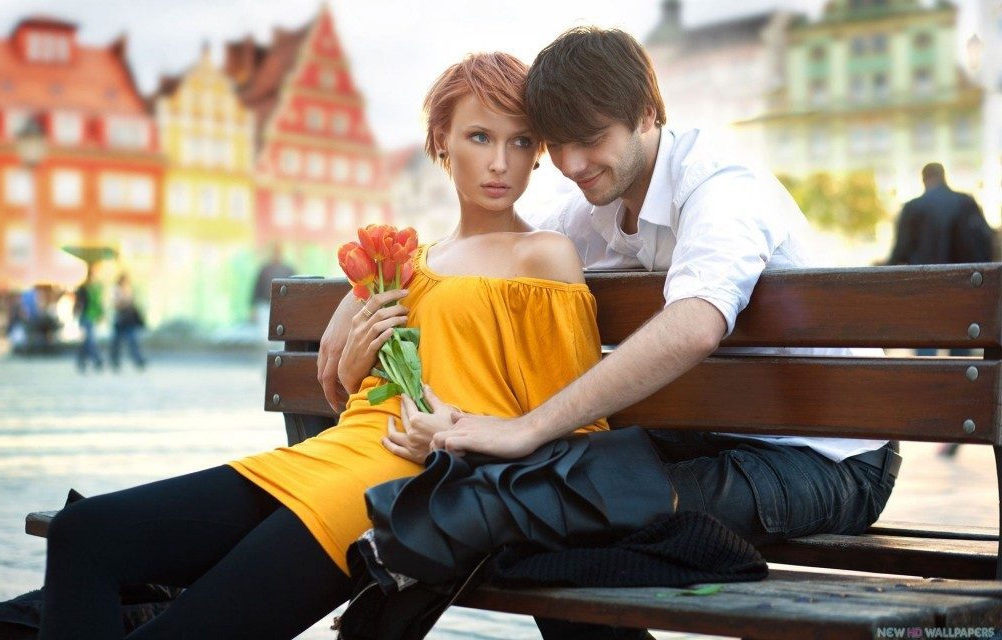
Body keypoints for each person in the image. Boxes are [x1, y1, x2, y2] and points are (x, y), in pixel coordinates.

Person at [321, 28, 901, 640]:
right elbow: (481, 252)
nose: (571, 165)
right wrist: (369, 287)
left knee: (547, 498)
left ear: (647, 114)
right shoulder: (593, 204)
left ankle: (383, 600)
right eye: (560, 144)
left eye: (591, 140)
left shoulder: (722, 186)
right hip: (705, 440)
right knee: (537, 491)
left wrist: (525, 428)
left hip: (829, 464)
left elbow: (696, 324)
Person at [39, 52, 608, 639]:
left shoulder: (542, 255)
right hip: (331, 458)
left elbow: (579, 434)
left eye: (520, 143)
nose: (499, 163)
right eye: (480, 136)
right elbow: (362, 398)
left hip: (397, 490)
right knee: (82, 533)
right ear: (441, 141)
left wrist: (457, 431)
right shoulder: (411, 260)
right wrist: (361, 364)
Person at [887, 162, 991, 457]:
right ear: (944, 177)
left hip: (927, 299)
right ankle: (959, 421)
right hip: (965, 301)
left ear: (925, 179)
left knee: (927, 362)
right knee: (963, 366)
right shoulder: (966, 202)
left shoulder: (913, 208)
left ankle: (932, 418)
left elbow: (900, 252)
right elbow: (985, 246)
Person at [250, 244, 294, 339]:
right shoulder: (264, 269)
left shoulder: (288, 270)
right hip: (265, 307)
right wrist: (253, 308)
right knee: (264, 336)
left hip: (283, 308)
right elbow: (256, 289)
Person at [109, 272, 147, 371]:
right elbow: (115, 304)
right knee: (117, 342)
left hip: (129, 319)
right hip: (120, 319)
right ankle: (115, 361)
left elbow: (132, 302)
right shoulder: (116, 290)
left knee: (133, 340)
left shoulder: (129, 289)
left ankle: (138, 360)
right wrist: (124, 302)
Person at [74, 262, 105, 373]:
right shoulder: (83, 287)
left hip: (93, 317)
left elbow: (99, 303)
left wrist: (101, 314)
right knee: (90, 340)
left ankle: (81, 361)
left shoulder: (98, 287)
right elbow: (78, 302)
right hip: (85, 316)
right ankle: (97, 360)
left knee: (87, 341)